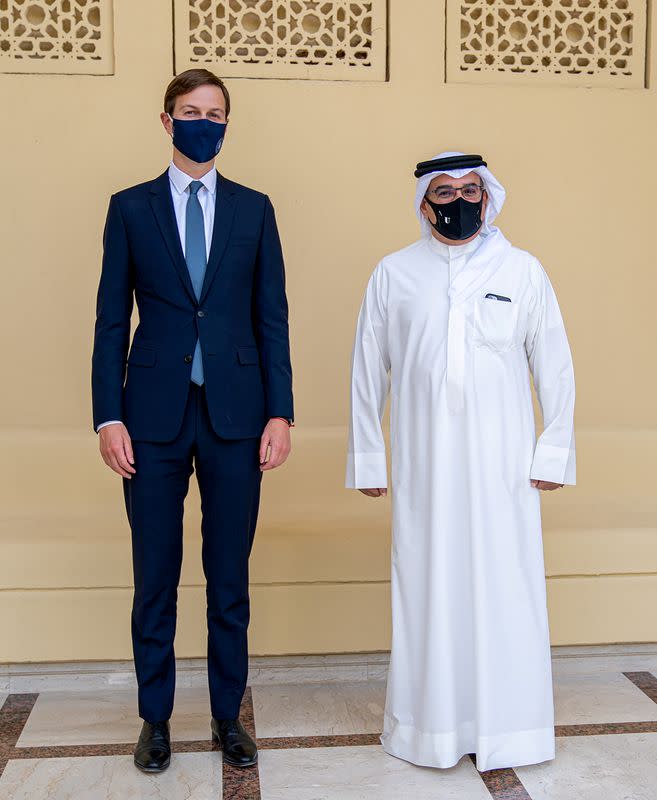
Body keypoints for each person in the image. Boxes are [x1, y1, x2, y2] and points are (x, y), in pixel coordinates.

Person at [91, 69, 294, 773]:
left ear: (226, 124)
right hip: (150, 419)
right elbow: (111, 319)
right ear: (166, 120)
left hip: (238, 417)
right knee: (155, 575)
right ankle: (155, 719)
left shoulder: (254, 208)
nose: (202, 121)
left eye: (214, 112)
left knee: (228, 576)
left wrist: (281, 411)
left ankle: (225, 717)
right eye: (189, 111)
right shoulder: (130, 208)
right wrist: (106, 417)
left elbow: (272, 318)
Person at [346, 152, 575, 772]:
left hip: (505, 470)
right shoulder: (394, 274)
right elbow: (369, 370)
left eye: (471, 189)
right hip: (424, 470)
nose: (459, 200)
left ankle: (514, 730)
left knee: (508, 587)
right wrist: (371, 458)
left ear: (488, 196)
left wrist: (553, 449)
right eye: (445, 191)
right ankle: (430, 732)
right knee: (428, 588)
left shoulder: (523, 271)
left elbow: (553, 362)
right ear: (425, 203)